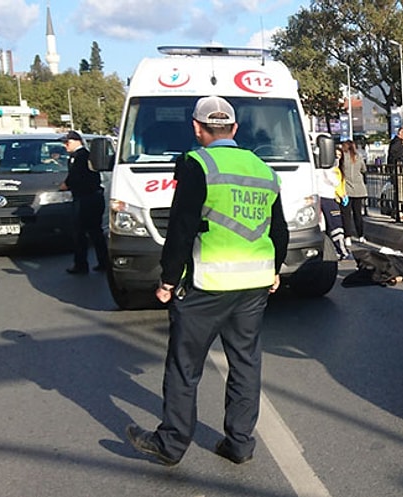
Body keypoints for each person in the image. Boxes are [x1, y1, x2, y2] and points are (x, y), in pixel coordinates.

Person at [125, 96, 289, 467]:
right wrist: (275, 270)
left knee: (185, 367)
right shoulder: (264, 170)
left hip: (207, 284)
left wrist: (168, 280)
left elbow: (181, 228)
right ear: (234, 129)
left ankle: (171, 443)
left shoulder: (196, 163)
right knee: (246, 364)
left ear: (197, 129)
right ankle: (240, 444)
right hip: (254, 286)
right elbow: (278, 229)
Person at [60, 130, 110, 274]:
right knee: (95, 232)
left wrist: (65, 185)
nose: (65, 146)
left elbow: (76, 177)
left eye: (67, 142)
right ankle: (103, 262)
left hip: (86, 198)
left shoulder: (81, 156)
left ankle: (81, 265)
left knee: (80, 233)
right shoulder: (80, 156)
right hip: (91, 198)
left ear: (77, 141)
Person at [319, 148, 351, 259]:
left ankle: (331, 251)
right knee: (335, 225)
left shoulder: (316, 164)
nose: (337, 158)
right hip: (328, 197)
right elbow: (335, 181)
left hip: (321, 197)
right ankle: (341, 250)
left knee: (326, 227)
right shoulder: (327, 167)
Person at [339, 140, 368, 243]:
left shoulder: (342, 158)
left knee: (346, 214)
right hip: (359, 189)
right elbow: (364, 169)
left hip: (346, 189)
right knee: (358, 214)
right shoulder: (358, 157)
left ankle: (347, 236)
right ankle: (361, 235)